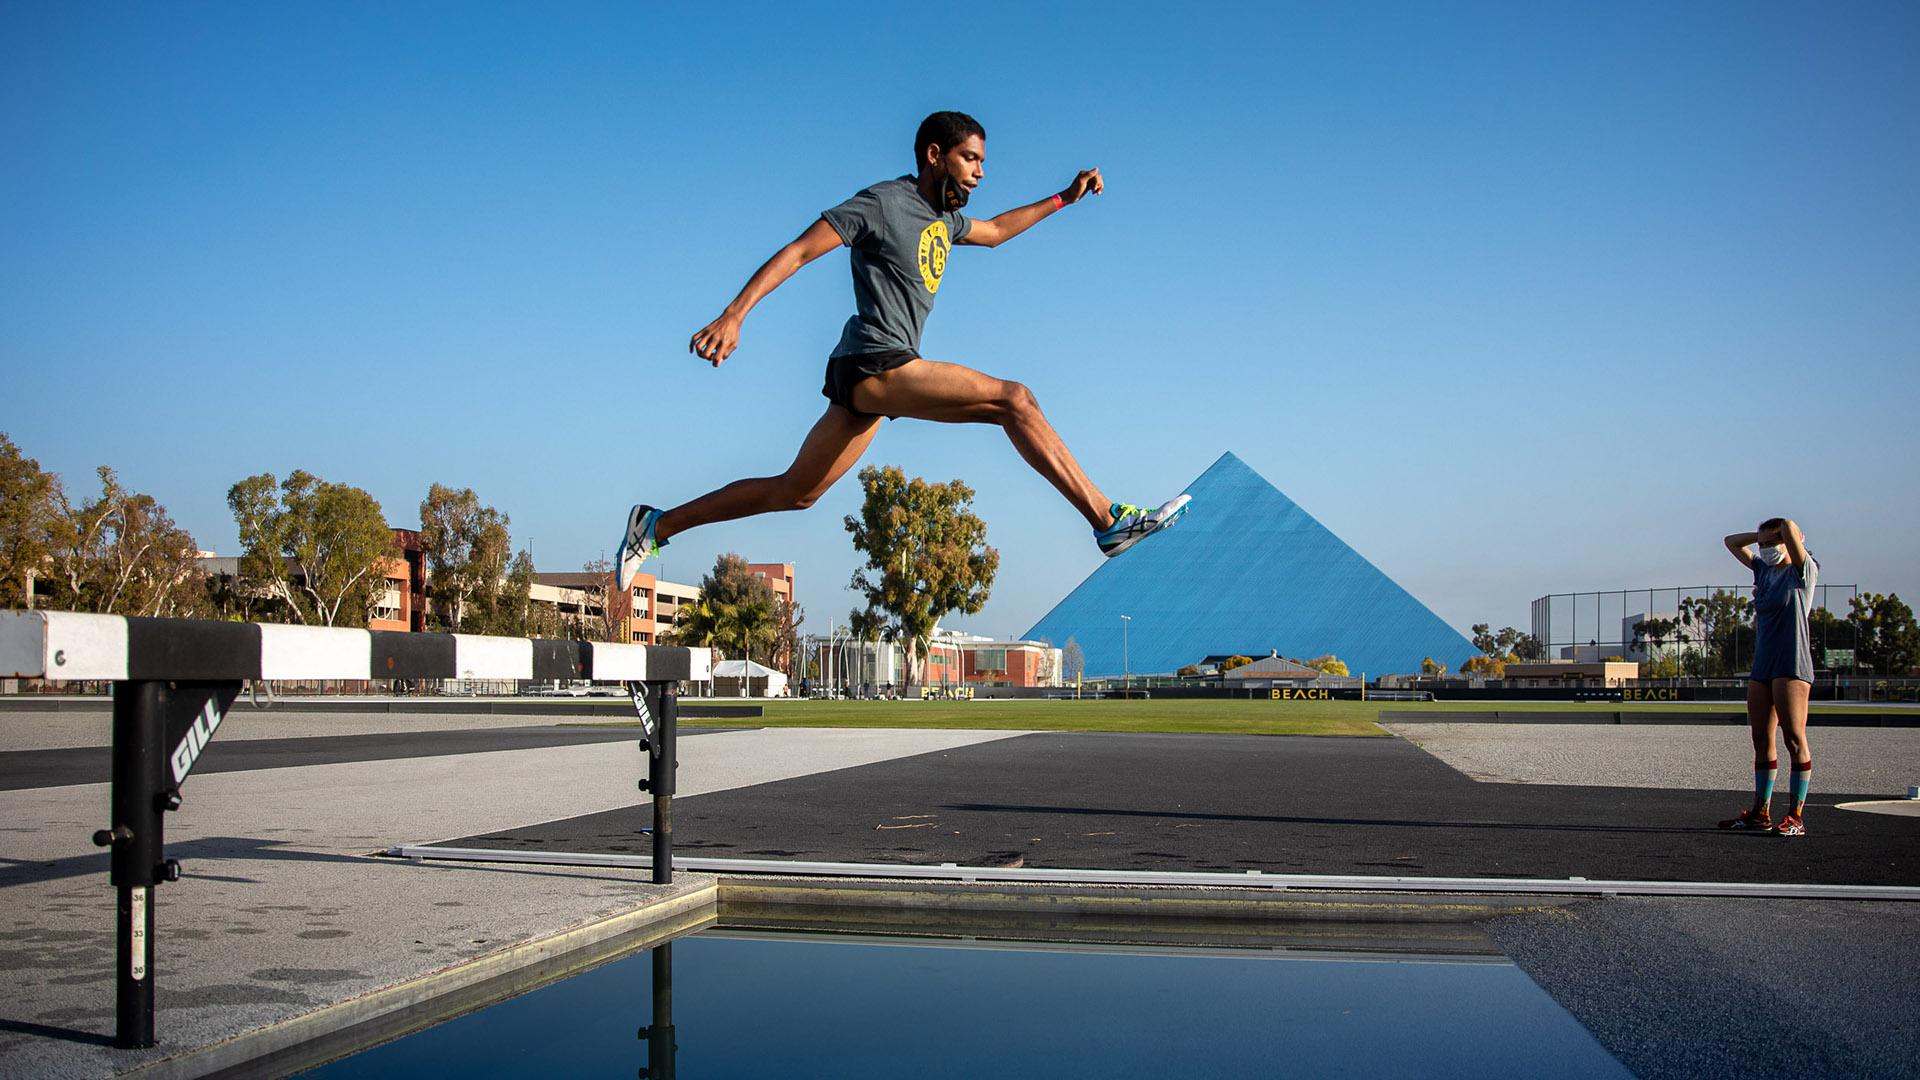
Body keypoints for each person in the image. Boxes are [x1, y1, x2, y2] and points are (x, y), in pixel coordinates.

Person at [615, 111, 1190, 590]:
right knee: (1015, 400)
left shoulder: (946, 217)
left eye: (984, 163)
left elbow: (993, 231)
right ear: (935, 154)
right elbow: (797, 251)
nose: (981, 173)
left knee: (794, 493)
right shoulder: (883, 204)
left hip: (871, 385)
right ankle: (1108, 519)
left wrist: (1064, 197)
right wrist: (734, 315)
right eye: (972, 160)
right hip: (876, 362)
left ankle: (657, 524)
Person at [1717, 517, 1818, 836]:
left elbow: (1789, 527)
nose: (1766, 549)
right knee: (1761, 738)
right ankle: (1761, 812)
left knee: (1793, 738)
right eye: (1762, 545)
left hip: (1791, 662)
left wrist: (1787, 534)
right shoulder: (1762, 570)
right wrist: (1760, 536)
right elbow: (1731, 540)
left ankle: (1796, 816)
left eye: (1772, 543)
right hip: (1764, 663)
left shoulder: (1802, 570)